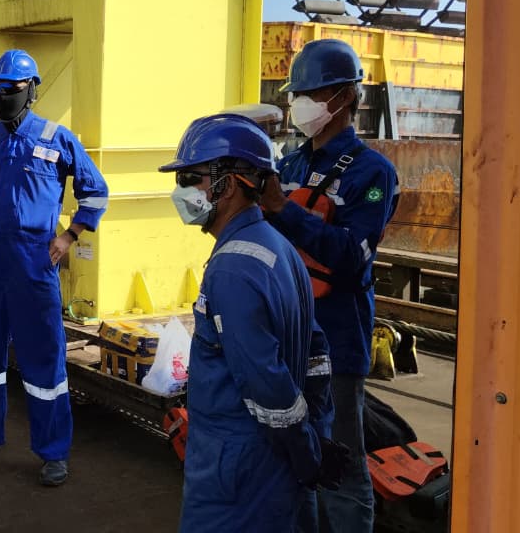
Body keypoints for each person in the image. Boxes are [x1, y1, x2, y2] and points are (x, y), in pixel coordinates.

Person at [159, 113, 342, 532]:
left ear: (229, 183)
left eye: (190, 178)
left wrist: (307, 453)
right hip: (276, 468)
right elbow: (316, 354)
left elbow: (268, 387)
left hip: (237, 472)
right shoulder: (279, 247)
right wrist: (316, 436)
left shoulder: (232, 269)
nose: (181, 191)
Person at [0, 49, 109, 487]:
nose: (2, 94)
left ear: (31, 90)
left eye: (12, 88)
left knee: (43, 359)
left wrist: (68, 236)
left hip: (35, 261)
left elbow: (96, 192)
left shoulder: (58, 138)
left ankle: (53, 452)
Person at [260, 38, 400, 532]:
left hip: (336, 339)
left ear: (343, 97)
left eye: (311, 94)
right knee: (294, 451)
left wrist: (283, 209)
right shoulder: (291, 165)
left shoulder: (373, 173)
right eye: (298, 95)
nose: (300, 104)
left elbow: (351, 258)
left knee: (341, 463)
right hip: (286, 331)